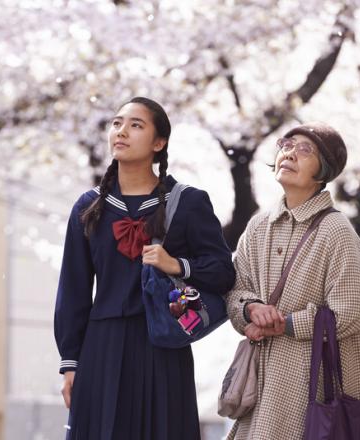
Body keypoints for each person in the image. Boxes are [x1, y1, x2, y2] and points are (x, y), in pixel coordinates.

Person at [54, 97, 235, 440]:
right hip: (100, 348)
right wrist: (70, 363)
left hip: (163, 345)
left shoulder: (188, 202)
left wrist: (177, 265)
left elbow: (223, 271)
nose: (121, 131)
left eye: (136, 125)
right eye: (117, 123)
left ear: (159, 143)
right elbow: (73, 289)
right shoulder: (89, 206)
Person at [225, 122, 360, 440]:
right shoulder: (258, 227)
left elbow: (350, 312)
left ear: (323, 170)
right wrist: (251, 308)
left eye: (305, 149)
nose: (290, 153)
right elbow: (235, 290)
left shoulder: (335, 230)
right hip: (261, 385)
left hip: (311, 387)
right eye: (286, 144)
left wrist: (284, 323)